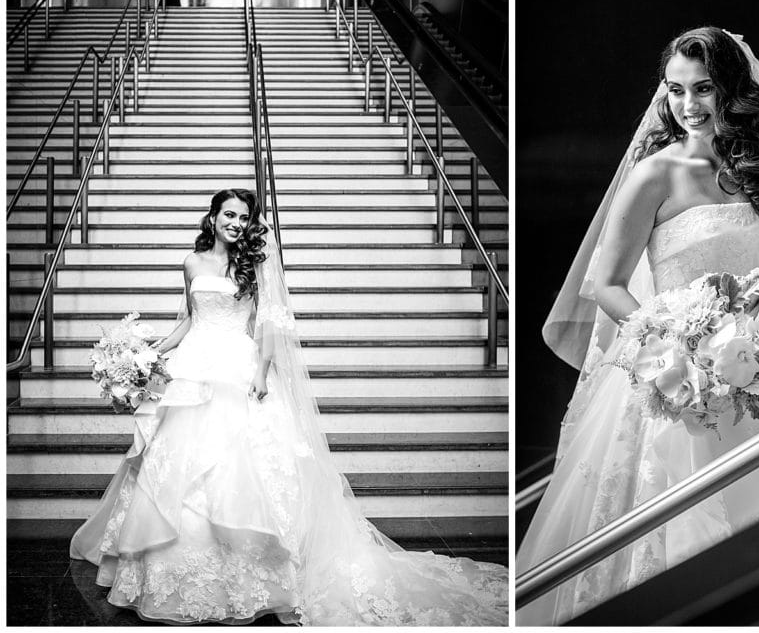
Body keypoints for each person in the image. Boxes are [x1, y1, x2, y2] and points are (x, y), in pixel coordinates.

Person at [517, 28, 759, 625]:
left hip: (748, 364)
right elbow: (604, 284)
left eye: (703, 89)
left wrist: (747, 336)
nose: (688, 104)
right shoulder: (654, 174)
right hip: (667, 369)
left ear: (731, 90)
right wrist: (674, 338)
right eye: (676, 90)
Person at [70, 188, 508, 626]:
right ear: (212, 217)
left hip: (237, 366)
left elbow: (267, 322)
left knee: (239, 465)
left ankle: (256, 578)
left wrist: (261, 372)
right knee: (173, 465)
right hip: (193, 367)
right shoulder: (191, 262)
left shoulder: (254, 263)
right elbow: (190, 318)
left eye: (243, 217)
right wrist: (151, 354)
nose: (236, 223)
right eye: (228, 214)